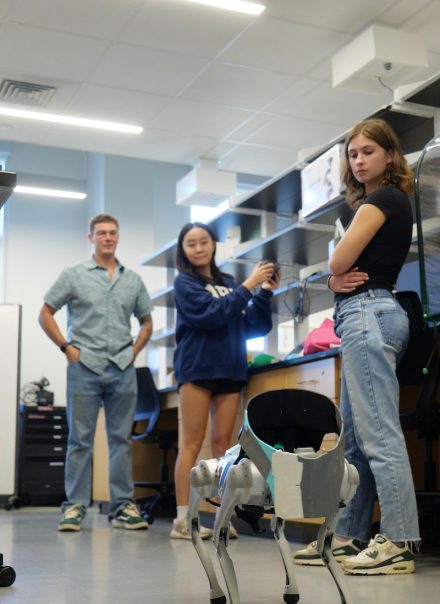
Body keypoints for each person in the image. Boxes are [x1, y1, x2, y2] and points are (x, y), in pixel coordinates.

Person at [294, 119, 420, 575]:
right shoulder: (377, 202)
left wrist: (330, 276)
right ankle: (349, 536)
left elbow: (339, 261)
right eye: (352, 154)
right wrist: (331, 281)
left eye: (368, 151)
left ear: (390, 155)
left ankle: (400, 541)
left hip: (368, 314)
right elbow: (335, 274)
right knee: (355, 442)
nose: (359, 160)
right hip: (362, 315)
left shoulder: (382, 199)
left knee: (378, 434)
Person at [39, 213, 153, 532]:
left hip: (122, 368)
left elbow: (147, 321)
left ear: (118, 237)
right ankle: (74, 506)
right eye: (101, 233)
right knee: (80, 440)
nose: (107, 237)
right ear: (91, 237)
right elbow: (45, 313)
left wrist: (134, 351)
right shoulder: (73, 275)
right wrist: (66, 346)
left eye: (112, 232)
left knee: (121, 440)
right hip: (84, 366)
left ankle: (122, 507)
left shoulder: (132, 280)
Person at [170, 221, 280, 540]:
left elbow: (251, 327)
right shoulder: (184, 283)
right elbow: (211, 315)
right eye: (191, 243)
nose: (199, 248)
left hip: (230, 370)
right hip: (197, 369)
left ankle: (221, 517)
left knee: (224, 447)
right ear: (184, 250)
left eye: (204, 241)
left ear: (213, 245)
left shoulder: (230, 282)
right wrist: (248, 285)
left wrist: (265, 292)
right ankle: (183, 519)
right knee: (192, 442)